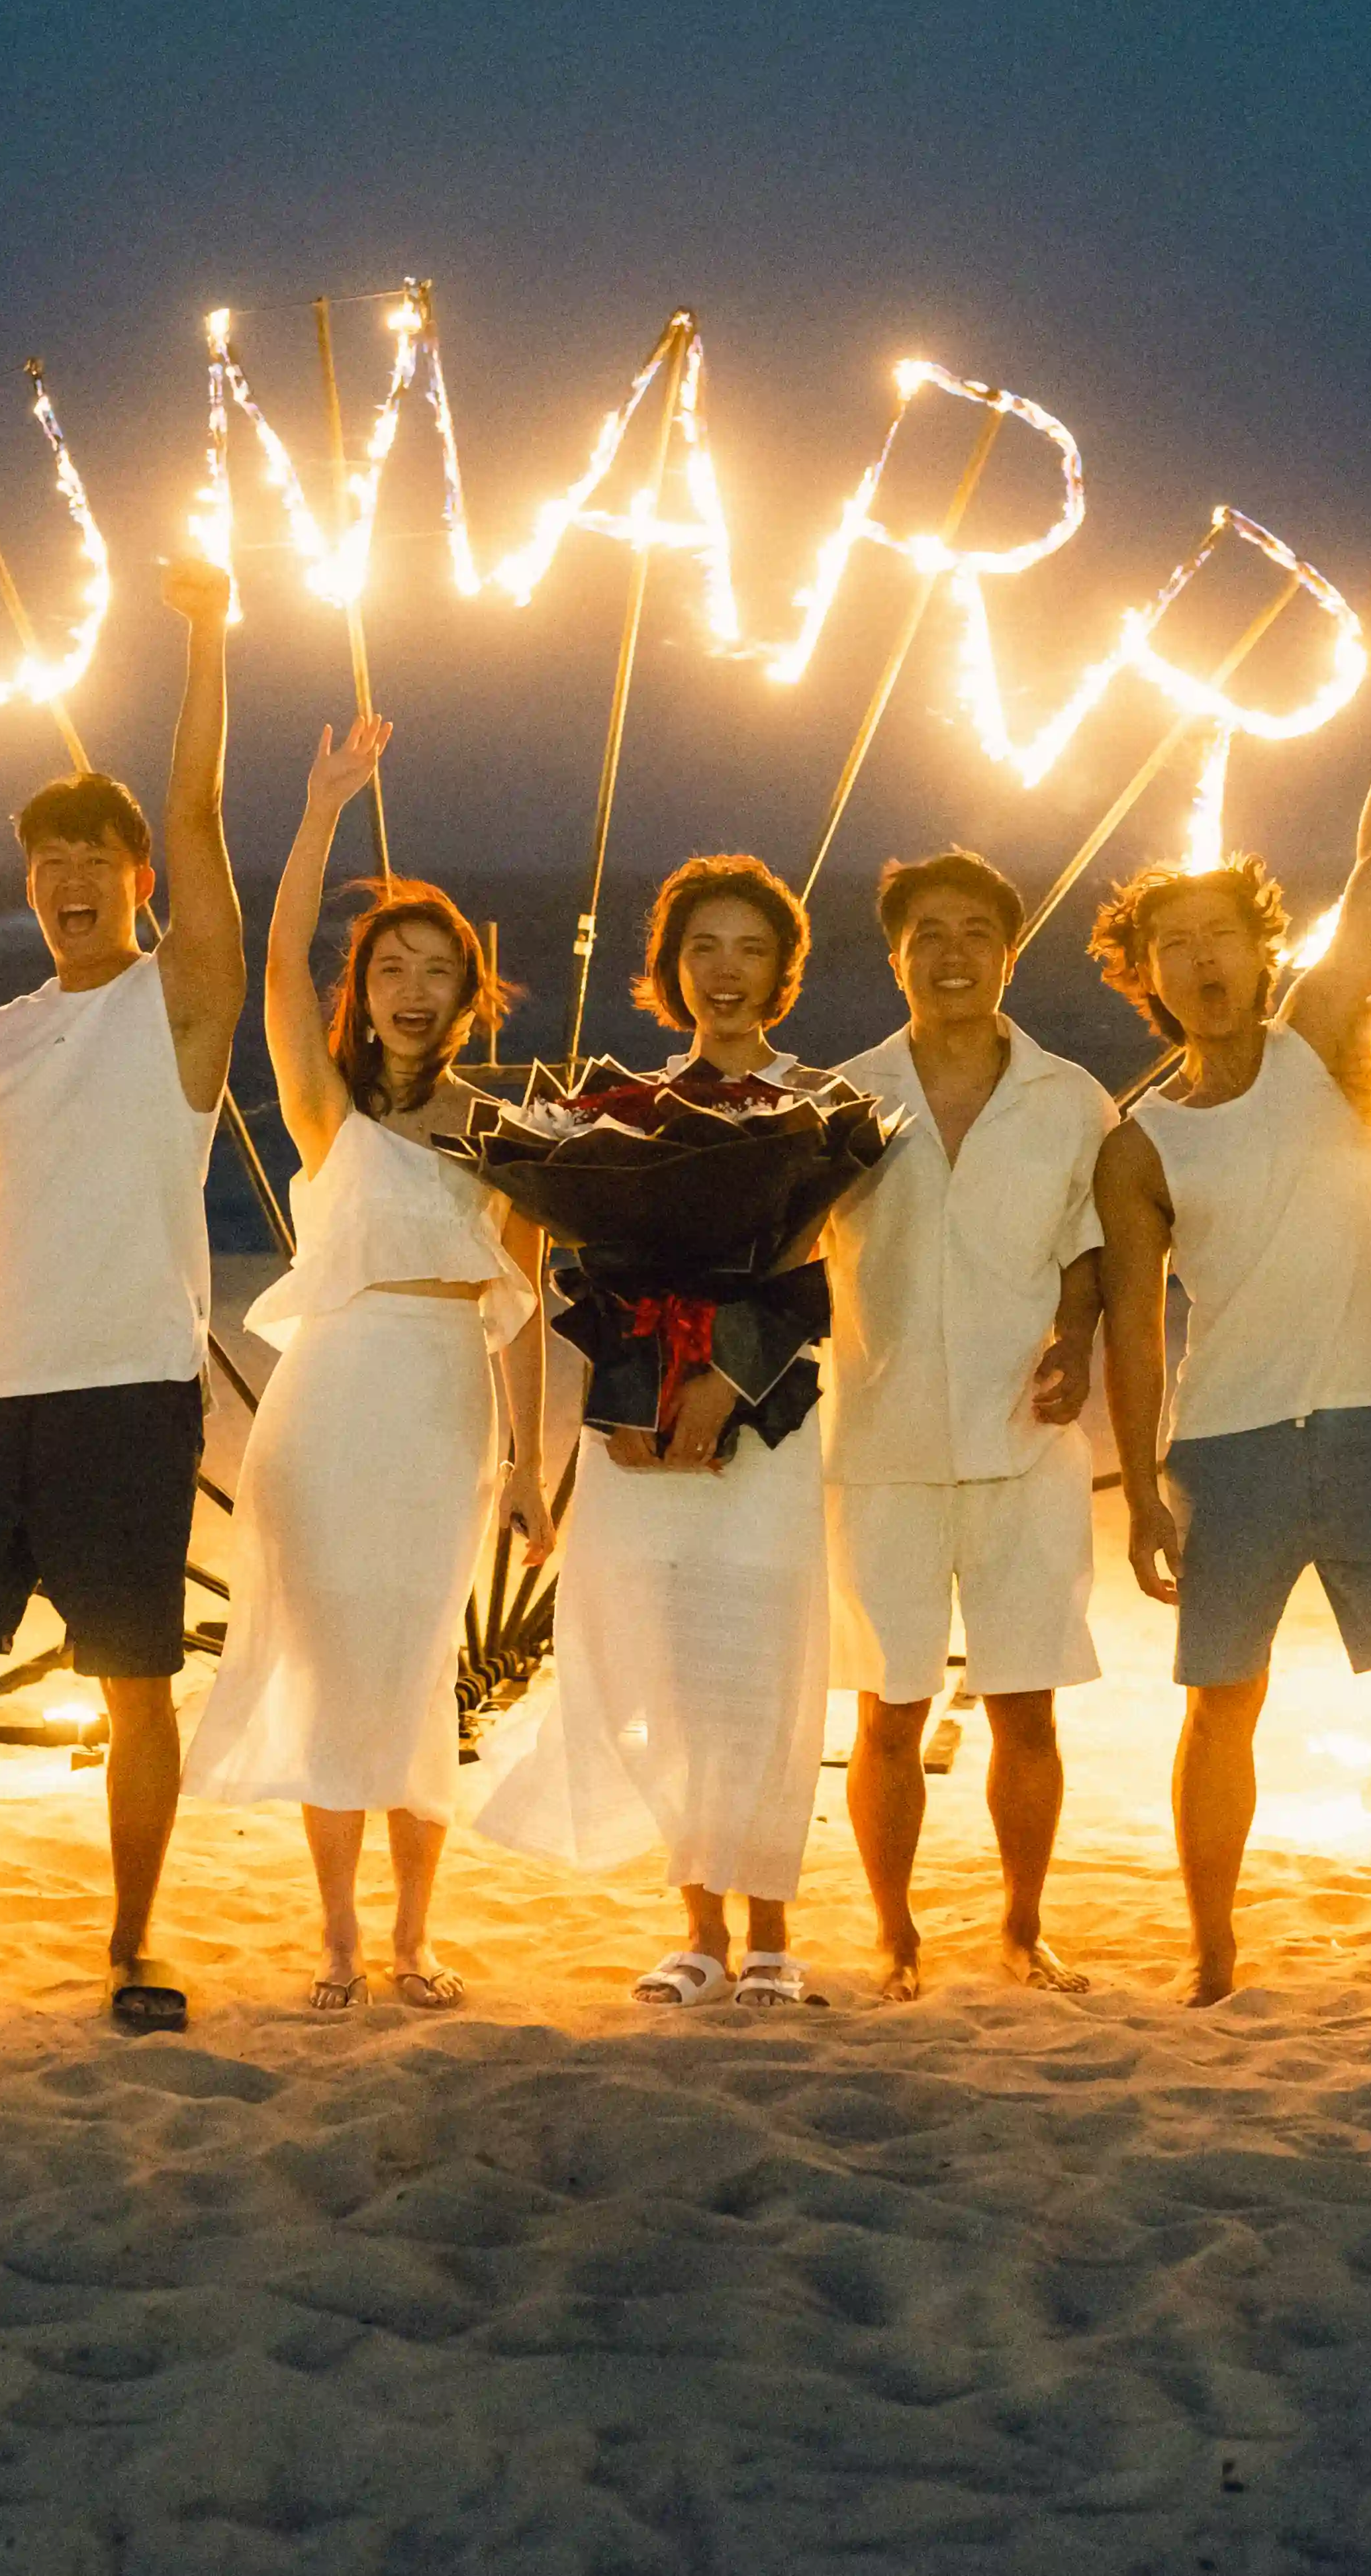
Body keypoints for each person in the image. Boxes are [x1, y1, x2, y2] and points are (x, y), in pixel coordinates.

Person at [0, 552, 246, 2033]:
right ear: (29, 886)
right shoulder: (5, 1033)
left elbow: (196, 811)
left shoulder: (179, 1003)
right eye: (45, 865)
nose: (68, 884)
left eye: (97, 862)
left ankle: (135, 1942)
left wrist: (208, 637)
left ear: (136, 883)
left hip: (128, 1388)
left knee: (136, 1680)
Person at [1089, 562, 1371, 2009]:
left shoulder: (1327, 1044)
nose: (1201, 961)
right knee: (1218, 1708)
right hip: (1234, 1446)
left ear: (1266, 951)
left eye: (1224, 938)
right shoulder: (1137, 1143)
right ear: (1141, 972)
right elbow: (1133, 1326)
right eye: (1170, 947)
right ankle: (1209, 1958)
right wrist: (1136, 1486)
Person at [183, 716, 547, 2008]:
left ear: (465, 992)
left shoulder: (499, 1128)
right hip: (331, 1401)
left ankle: (410, 1941)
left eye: (436, 970)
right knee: (342, 1672)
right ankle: (342, 1944)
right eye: (392, 964)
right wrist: (325, 803)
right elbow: (278, 957)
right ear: (369, 985)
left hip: (444, 1405)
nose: (411, 987)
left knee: (413, 1668)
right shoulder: (322, 1105)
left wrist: (523, 1465)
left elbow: (519, 1298)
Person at [474, 855, 845, 2008]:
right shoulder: (617, 1110)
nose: (724, 972)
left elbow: (811, 1273)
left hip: (762, 1419)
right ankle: (696, 1927)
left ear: (783, 969)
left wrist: (720, 1382)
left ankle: (773, 1931)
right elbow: (560, 1257)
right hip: (636, 1425)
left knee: (762, 1663)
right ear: (671, 969)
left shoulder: (818, 1108)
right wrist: (632, 1396)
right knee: (666, 1663)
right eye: (702, 950)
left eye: (748, 950)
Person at [818, 850, 1111, 1999]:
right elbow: (788, 1253)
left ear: (1007, 949)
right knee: (887, 1706)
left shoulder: (1069, 1097)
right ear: (895, 955)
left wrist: (1075, 1344)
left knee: (1025, 1703)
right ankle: (894, 1933)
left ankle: (1023, 1923)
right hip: (879, 1442)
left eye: (975, 931)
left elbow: (1090, 1252)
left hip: (1023, 1439)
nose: (951, 952)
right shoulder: (845, 1098)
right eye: (926, 932)